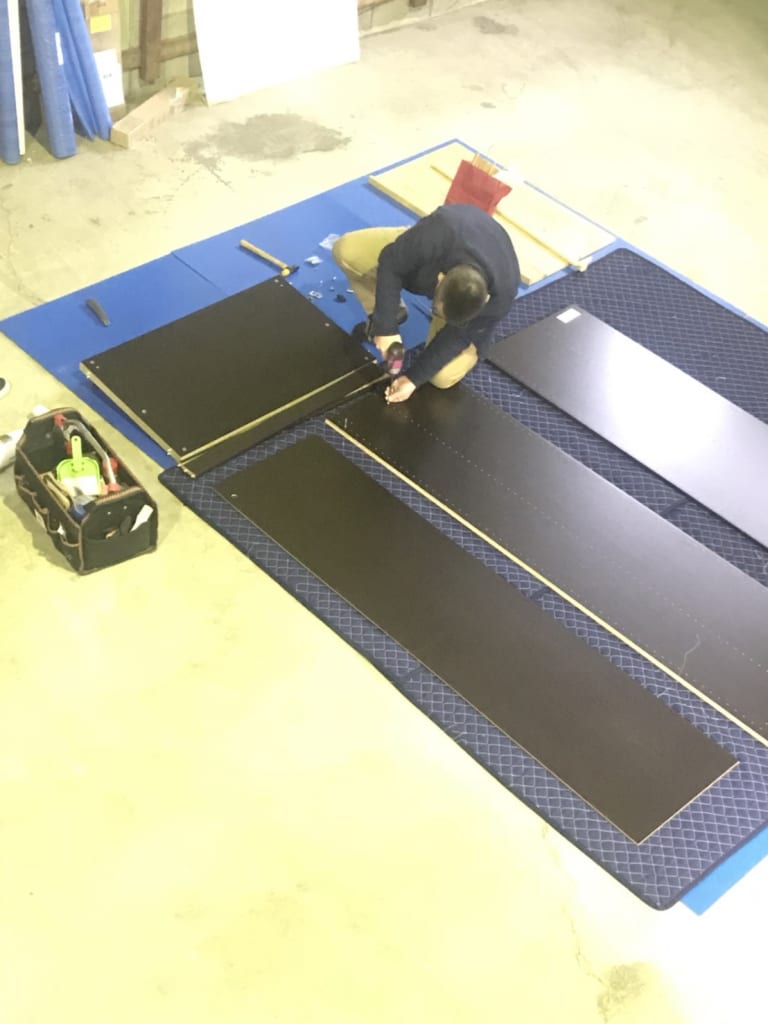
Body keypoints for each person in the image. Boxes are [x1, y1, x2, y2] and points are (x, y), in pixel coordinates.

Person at [332, 203, 521, 403]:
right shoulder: (436, 233)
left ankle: (451, 325)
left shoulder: (501, 297)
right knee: (347, 251)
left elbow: (457, 336)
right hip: (430, 242)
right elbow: (391, 264)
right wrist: (385, 326)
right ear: (440, 278)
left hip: (474, 283)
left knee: (441, 378)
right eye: (437, 311)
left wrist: (413, 379)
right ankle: (395, 310)